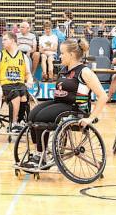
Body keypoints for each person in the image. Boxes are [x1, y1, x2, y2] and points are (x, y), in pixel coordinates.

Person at [23, 39, 108, 168]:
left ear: (72, 55)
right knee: (32, 115)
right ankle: (38, 152)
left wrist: (90, 118)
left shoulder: (84, 72)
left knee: (41, 117)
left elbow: (103, 96)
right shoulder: (64, 69)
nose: (60, 56)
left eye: (62, 53)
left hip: (76, 108)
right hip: (60, 103)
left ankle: (41, 155)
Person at [0, 32, 35, 133]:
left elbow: (28, 73)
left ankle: (20, 121)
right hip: (5, 84)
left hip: (19, 84)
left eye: (5, 39)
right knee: (16, 95)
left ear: (12, 41)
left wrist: (30, 80)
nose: (2, 42)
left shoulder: (23, 57)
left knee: (24, 95)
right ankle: (14, 123)